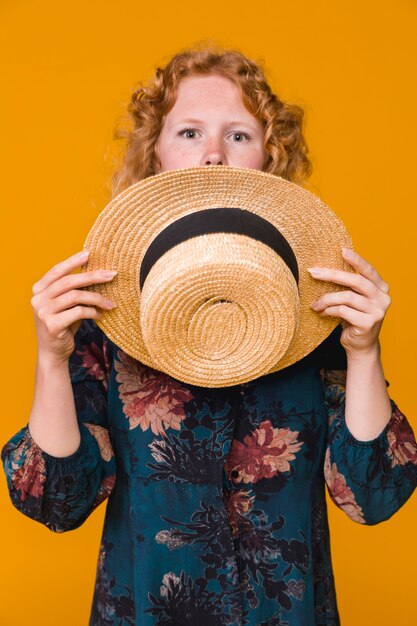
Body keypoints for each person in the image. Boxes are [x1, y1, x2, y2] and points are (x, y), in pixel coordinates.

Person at [2, 46, 417, 626]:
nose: (214, 155)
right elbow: (57, 502)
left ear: (270, 158)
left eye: (240, 135)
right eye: (190, 132)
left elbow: (374, 498)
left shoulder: (322, 319)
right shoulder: (106, 316)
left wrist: (366, 351)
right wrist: (51, 358)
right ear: (156, 157)